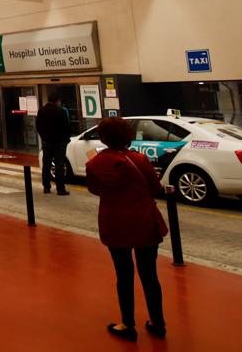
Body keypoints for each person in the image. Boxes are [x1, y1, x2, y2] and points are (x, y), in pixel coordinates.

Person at [86, 116, 168, 342]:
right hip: (143, 220)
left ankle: (127, 323)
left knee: (123, 274)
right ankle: (157, 323)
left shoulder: (93, 163)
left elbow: (95, 189)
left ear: (103, 137)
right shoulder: (139, 160)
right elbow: (155, 187)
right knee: (149, 274)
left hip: (114, 222)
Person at [36, 93, 71, 195]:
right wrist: (66, 139)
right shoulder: (61, 111)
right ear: (57, 101)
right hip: (59, 142)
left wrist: (43, 137)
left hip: (46, 142)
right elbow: (66, 126)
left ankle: (46, 187)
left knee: (46, 164)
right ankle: (60, 189)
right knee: (59, 165)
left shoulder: (41, 111)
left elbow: (38, 126)